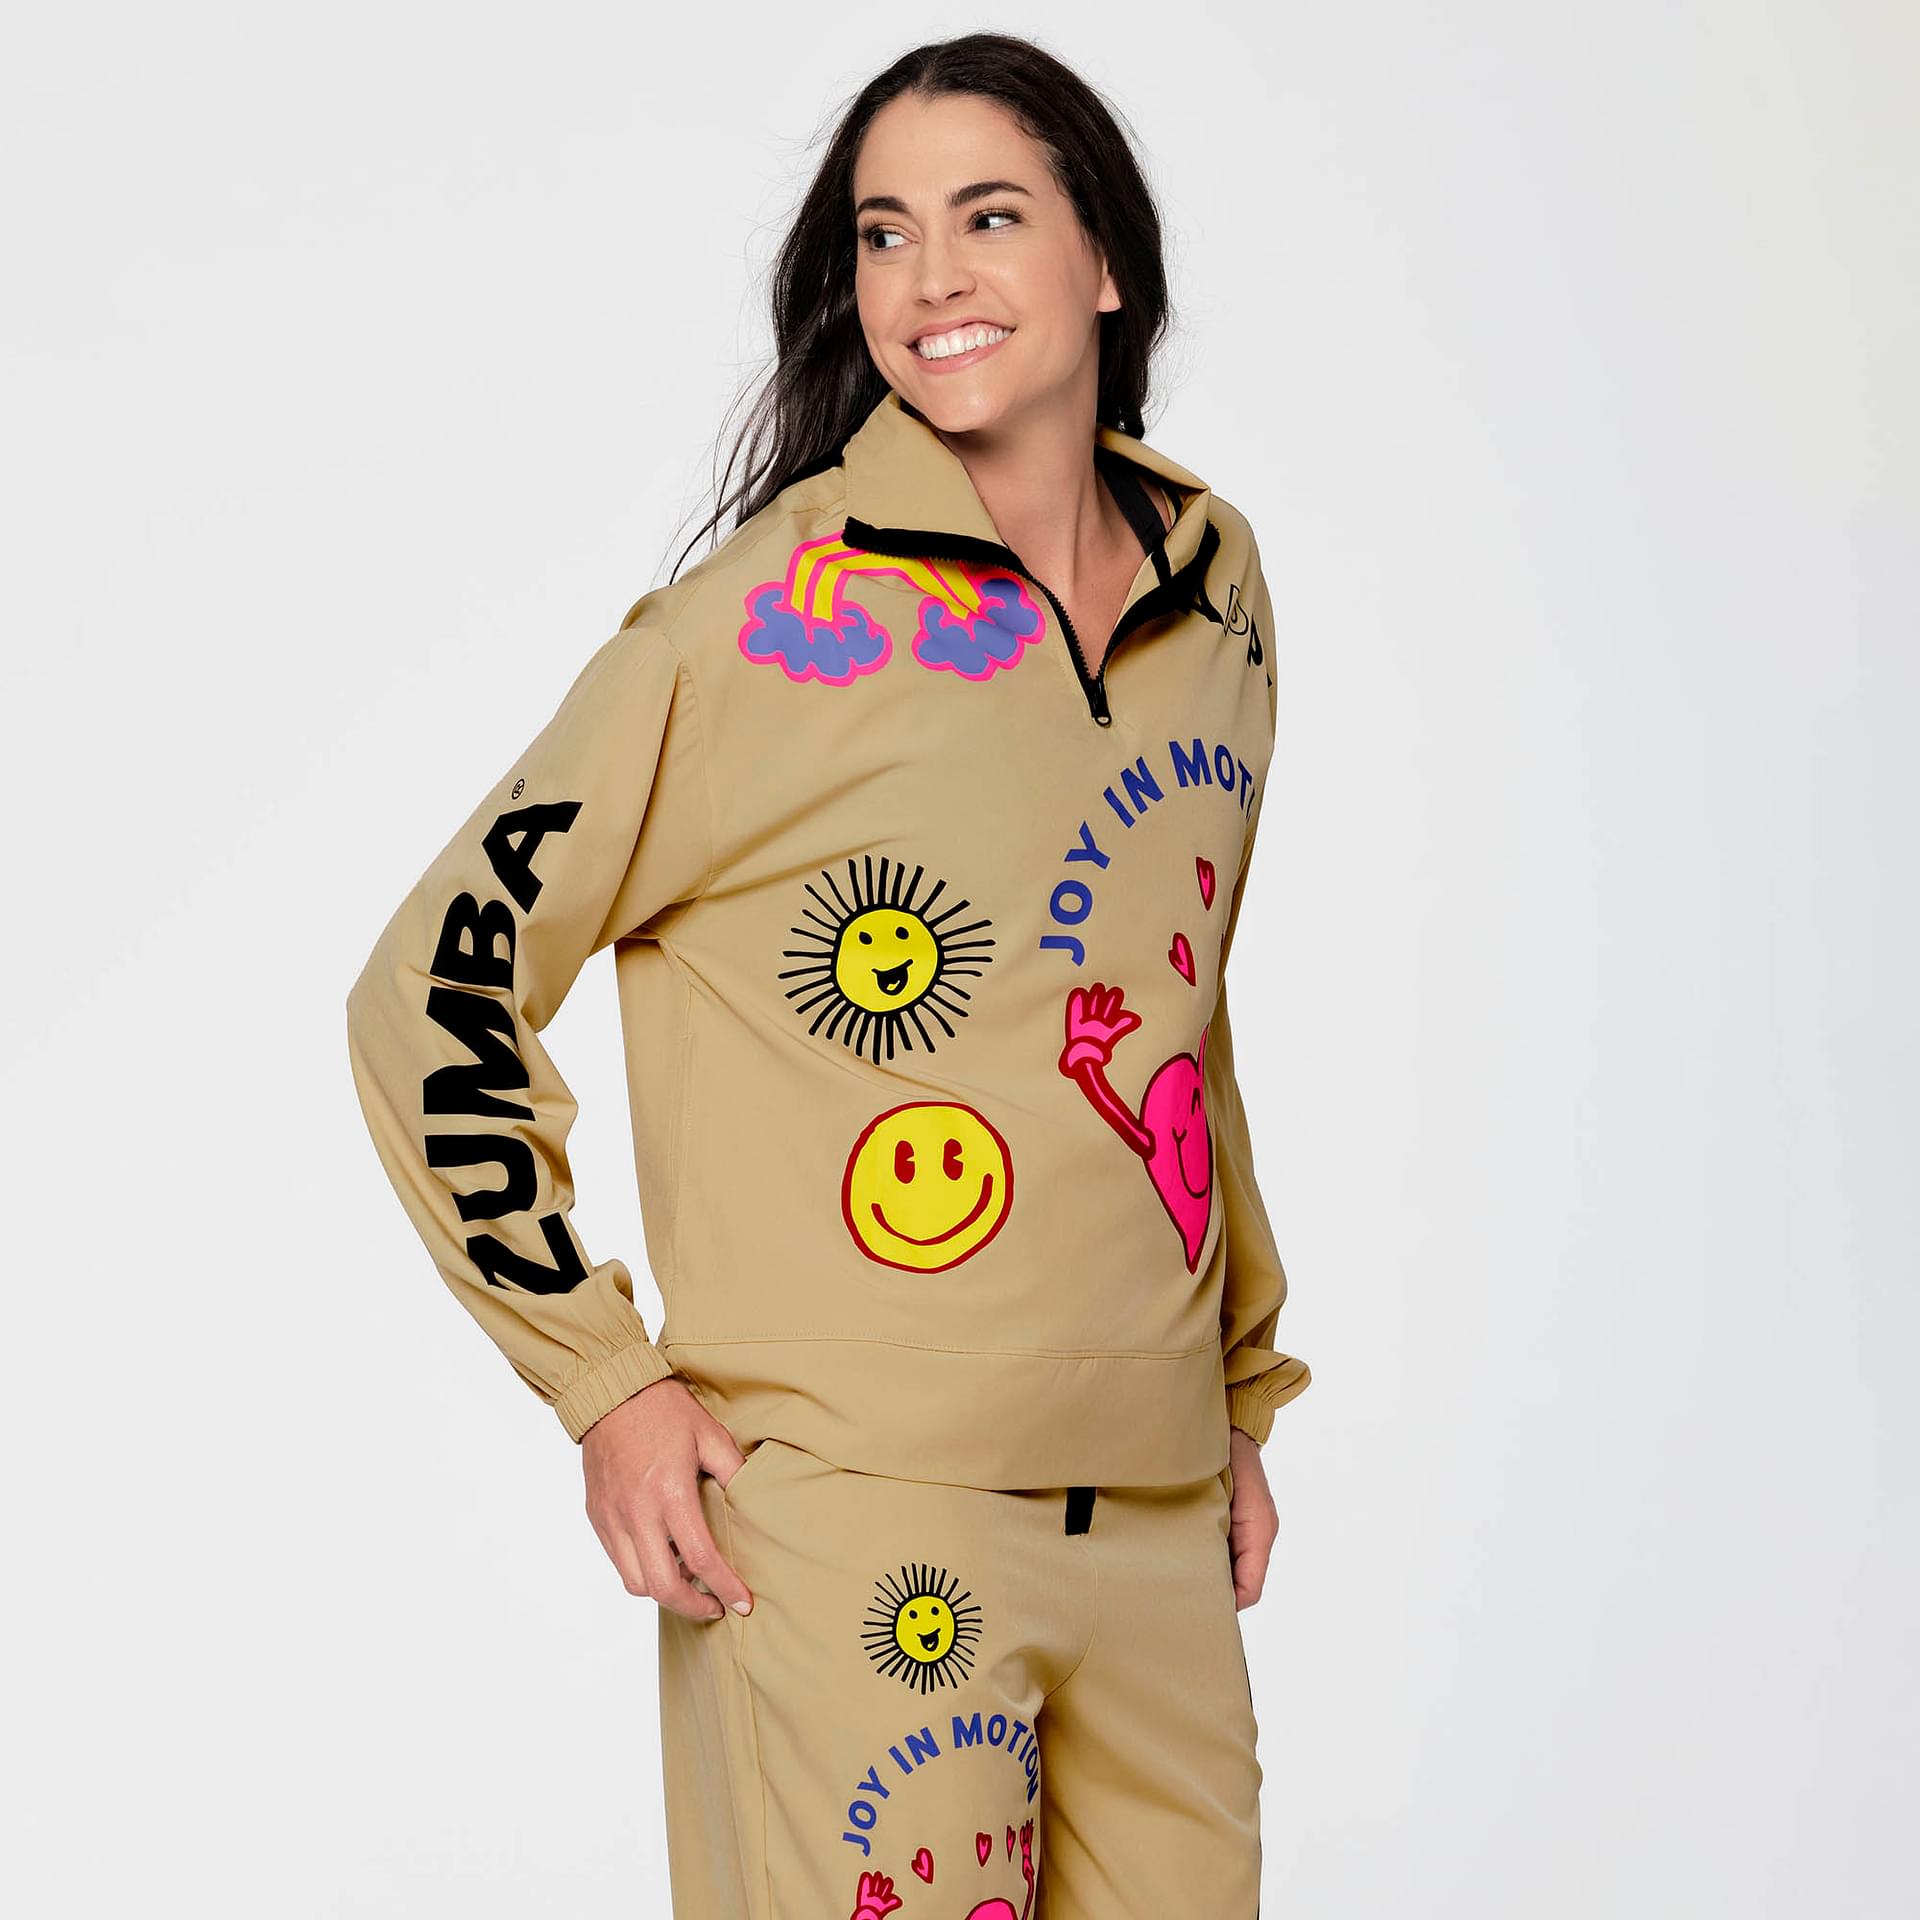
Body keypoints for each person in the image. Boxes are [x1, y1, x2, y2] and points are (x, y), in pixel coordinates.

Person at [345, 30, 1310, 1918]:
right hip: (860, 1530)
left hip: (1159, 1523)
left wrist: (1224, 1396)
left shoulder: (1218, 596)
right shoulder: (761, 630)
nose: (930, 275)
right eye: (884, 232)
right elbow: (432, 988)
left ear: (1108, 260)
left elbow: (1174, 1005)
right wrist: (605, 1382)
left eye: (989, 217)